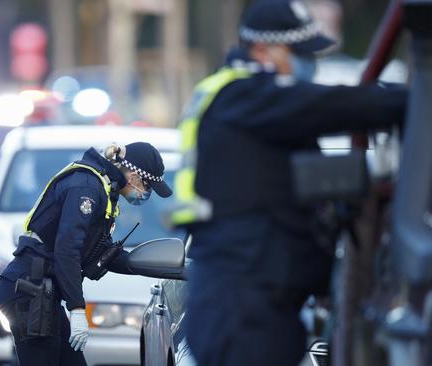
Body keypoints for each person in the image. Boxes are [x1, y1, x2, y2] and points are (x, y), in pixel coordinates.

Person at [175, 1, 409, 365]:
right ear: (264, 50)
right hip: (243, 311)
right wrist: (406, 101)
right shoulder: (243, 96)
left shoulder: (247, 103)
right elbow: (329, 106)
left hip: (254, 303)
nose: (307, 64)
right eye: (298, 53)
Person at [0, 142, 173, 366]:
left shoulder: (103, 188)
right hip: (30, 290)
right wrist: (77, 308)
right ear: (134, 175)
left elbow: (100, 252)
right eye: (147, 186)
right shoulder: (87, 188)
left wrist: (149, 264)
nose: (146, 193)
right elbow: (67, 250)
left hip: (41, 290)